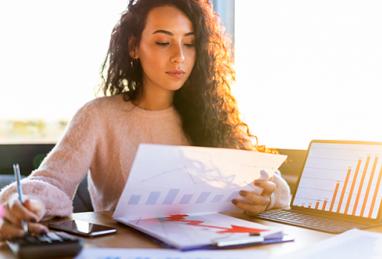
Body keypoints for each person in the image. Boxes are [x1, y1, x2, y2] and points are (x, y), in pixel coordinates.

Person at [0, 0, 291, 240]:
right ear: (133, 47)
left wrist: (267, 196)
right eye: (164, 42)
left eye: (189, 44)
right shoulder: (99, 116)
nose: (179, 56)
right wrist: (29, 203)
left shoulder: (211, 116)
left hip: (209, 247)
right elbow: (51, 181)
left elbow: (267, 181)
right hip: (126, 251)